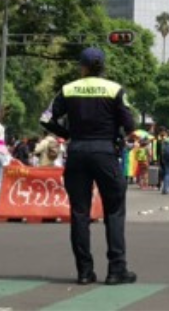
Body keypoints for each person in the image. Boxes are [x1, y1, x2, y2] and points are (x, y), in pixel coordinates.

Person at [40, 47, 137, 286]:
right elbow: (130, 126)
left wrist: (68, 134)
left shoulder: (69, 89)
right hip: (105, 152)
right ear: (102, 66)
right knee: (114, 211)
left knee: (79, 213)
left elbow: (45, 118)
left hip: (77, 153)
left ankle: (84, 272)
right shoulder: (114, 89)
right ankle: (116, 270)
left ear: (82, 67)